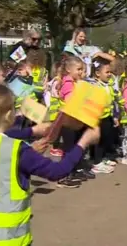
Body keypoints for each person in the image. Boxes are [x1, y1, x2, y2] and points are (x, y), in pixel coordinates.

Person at [0, 84, 100, 245]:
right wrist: (83, 142)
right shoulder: (18, 150)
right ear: (9, 115)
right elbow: (57, 171)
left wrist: (32, 131)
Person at [56, 56, 95, 188]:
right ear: (68, 70)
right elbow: (71, 101)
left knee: (76, 146)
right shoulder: (67, 84)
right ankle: (63, 176)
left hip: (75, 120)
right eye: (78, 69)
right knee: (69, 148)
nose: (81, 72)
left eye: (82, 69)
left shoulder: (75, 83)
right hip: (68, 122)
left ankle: (75, 170)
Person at [87, 56, 120, 173]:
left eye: (110, 72)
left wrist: (115, 116)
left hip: (107, 116)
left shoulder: (109, 85)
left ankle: (103, 158)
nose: (109, 74)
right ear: (97, 73)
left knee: (106, 138)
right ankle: (96, 162)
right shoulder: (95, 86)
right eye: (107, 72)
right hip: (97, 118)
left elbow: (113, 100)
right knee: (98, 140)